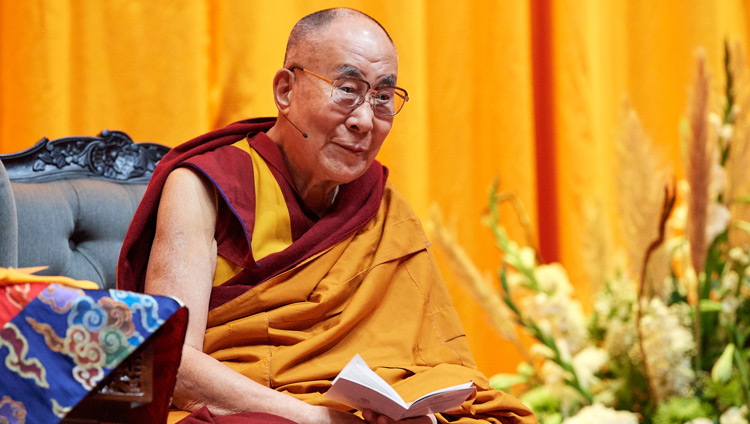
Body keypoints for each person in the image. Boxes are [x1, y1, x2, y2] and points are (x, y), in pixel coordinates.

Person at [117, 7, 537, 424]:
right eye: (347, 88)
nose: (364, 120)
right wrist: (318, 419)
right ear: (286, 90)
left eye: (383, 98)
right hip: (249, 409)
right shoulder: (205, 187)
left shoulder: (380, 207)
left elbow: (427, 364)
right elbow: (171, 363)